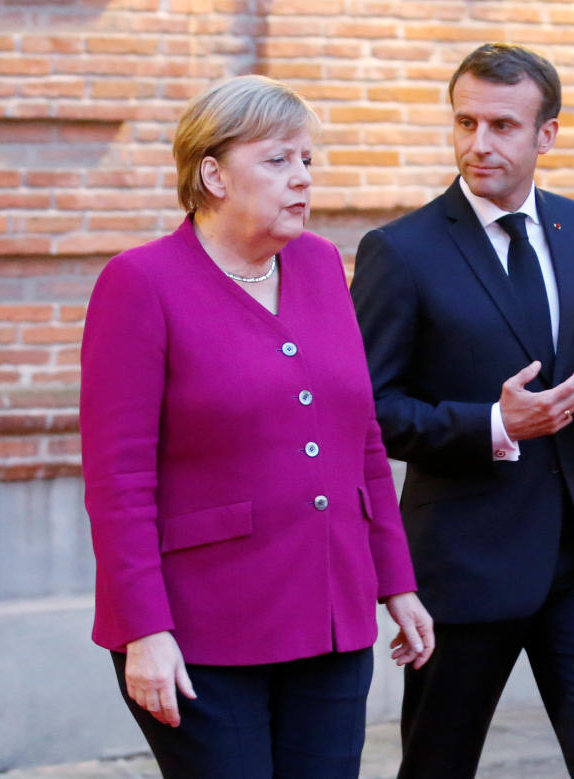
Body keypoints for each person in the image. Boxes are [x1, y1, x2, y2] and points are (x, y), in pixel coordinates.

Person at [80, 74, 434, 779]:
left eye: (306, 160)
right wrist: (144, 630)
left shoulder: (320, 265)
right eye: (277, 160)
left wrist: (396, 581)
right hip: (203, 627)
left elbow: (359, 437)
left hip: (330, 615)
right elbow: (117, 479)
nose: (301, 178)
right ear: (212, 173)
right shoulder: (140, 283)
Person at [351, 43, 574, 778]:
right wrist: (492, 424)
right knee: (437, 766)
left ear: (546, 132)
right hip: (465, 562)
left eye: (502, 126)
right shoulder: (400, 250)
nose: (477, 143)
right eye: (464, 121)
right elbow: (367, 411)